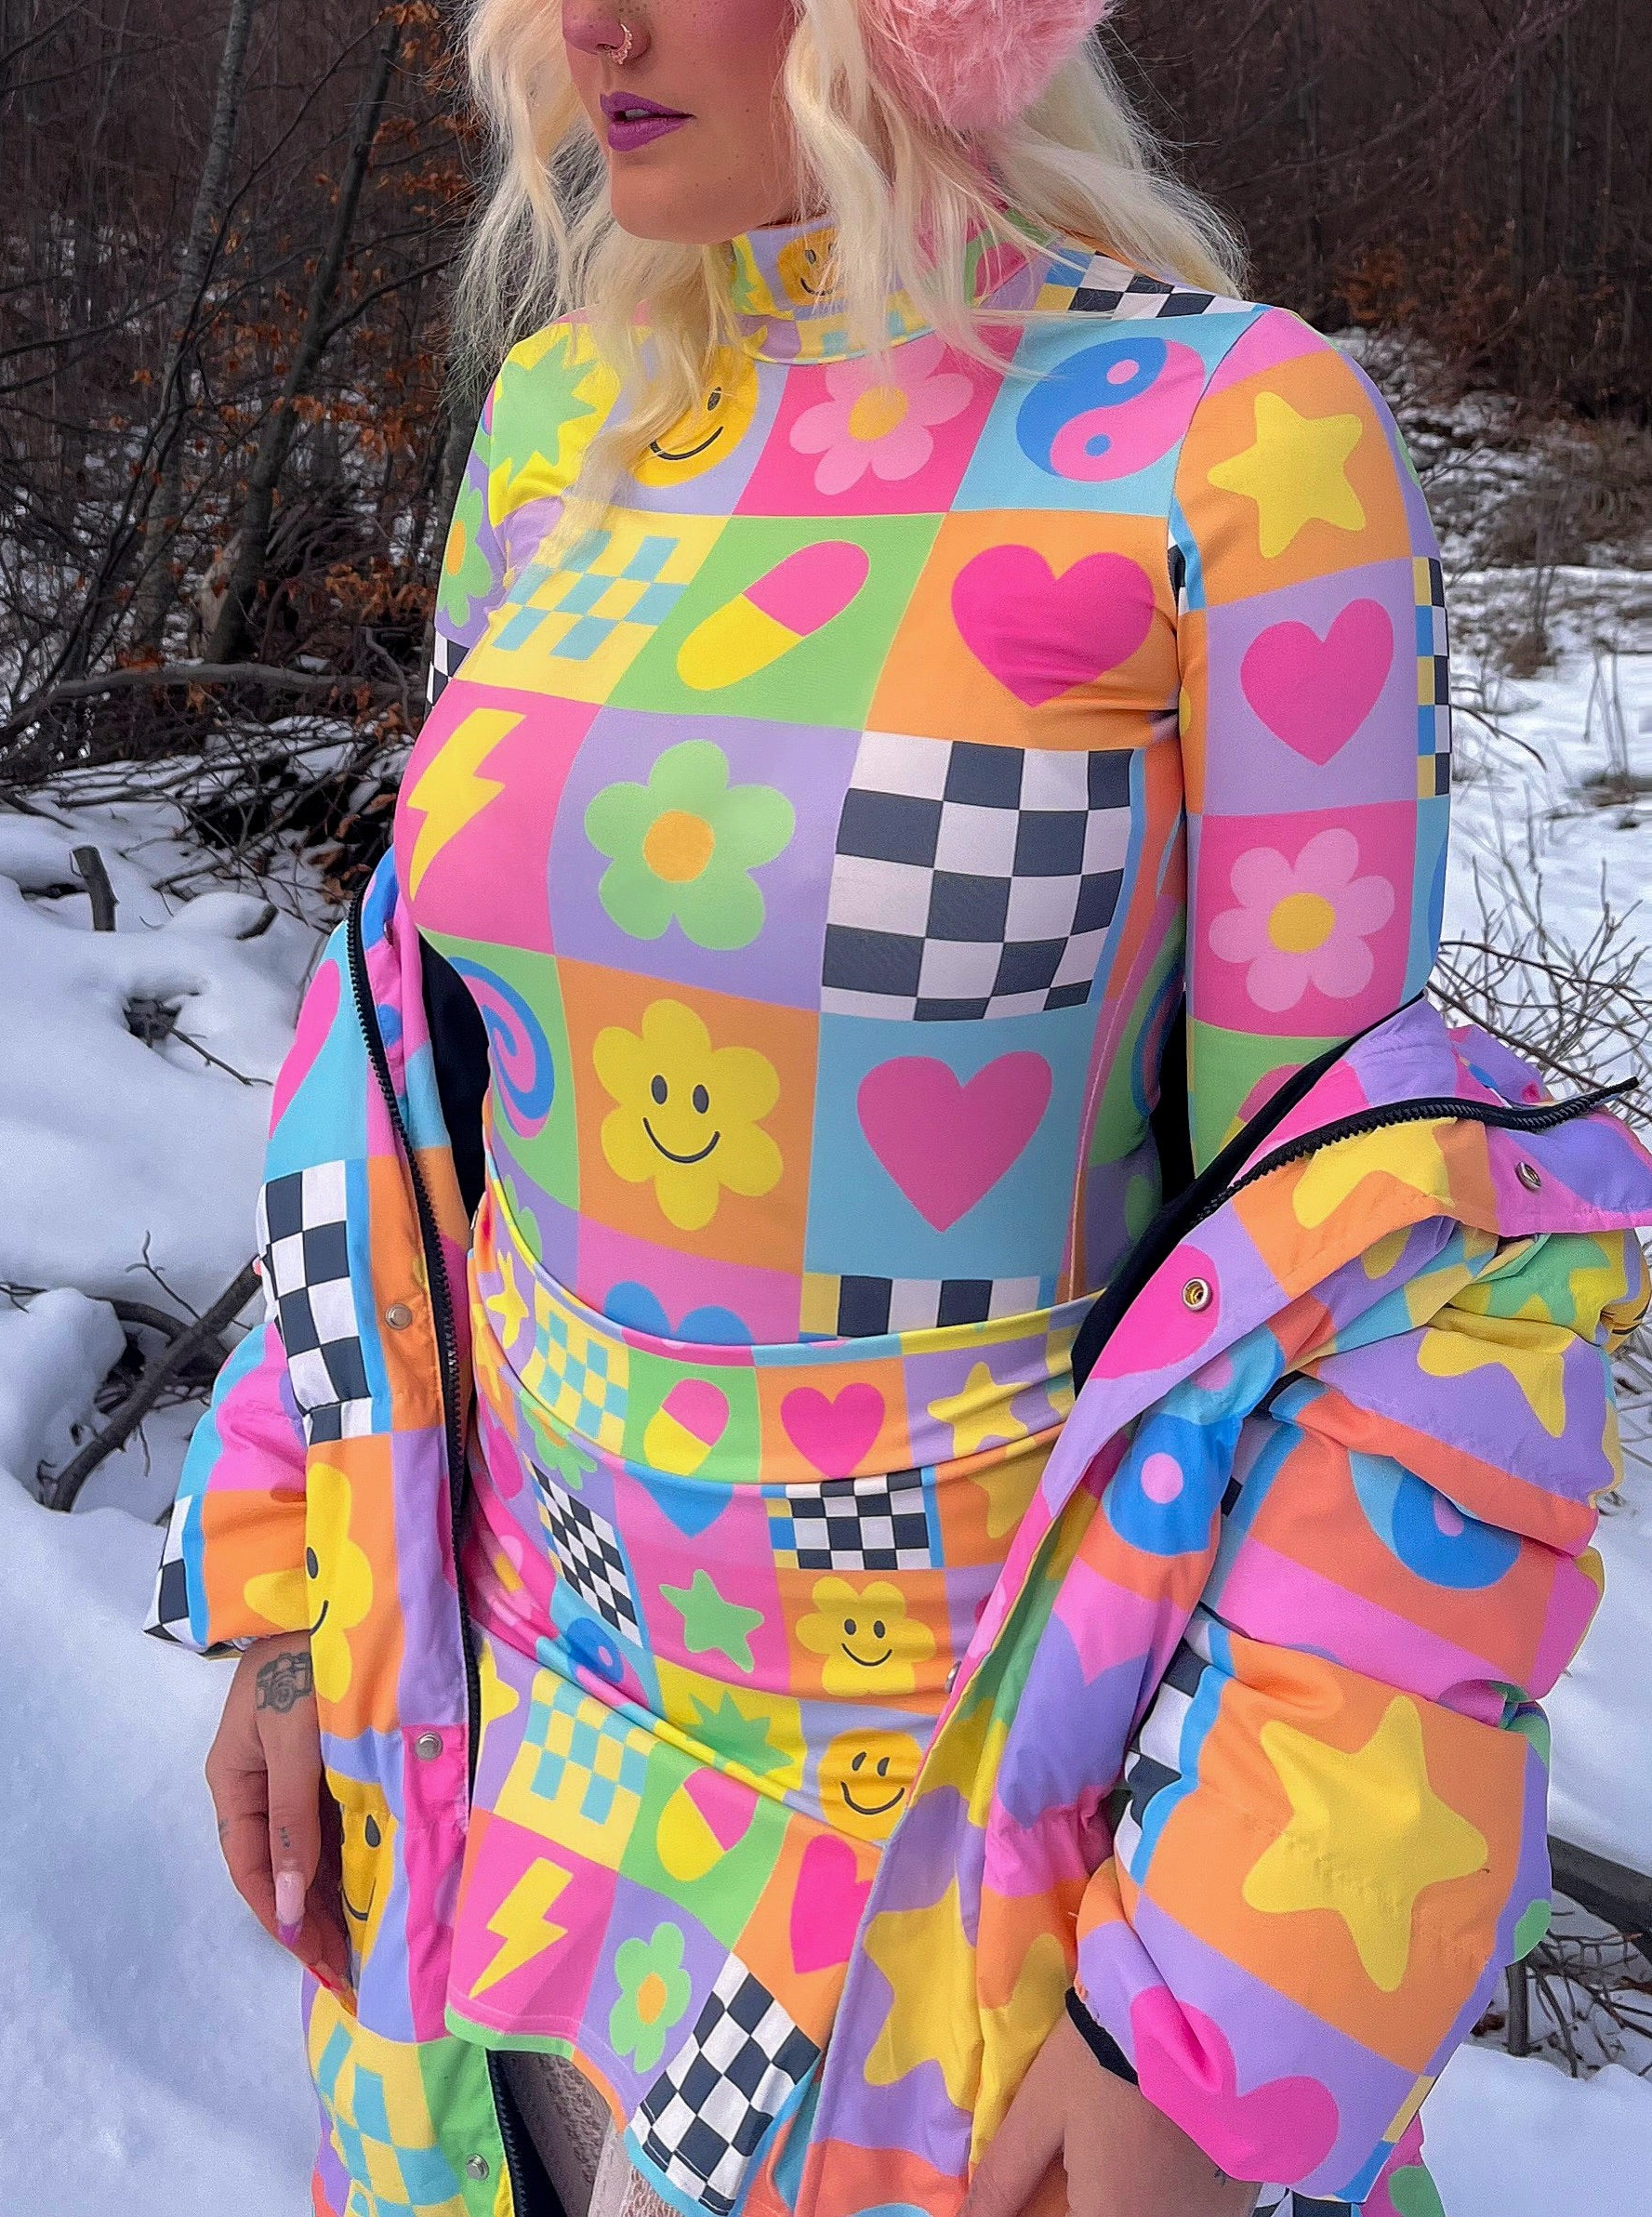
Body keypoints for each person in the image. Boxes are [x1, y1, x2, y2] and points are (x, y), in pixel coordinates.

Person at [154, 5, 1652, 2216]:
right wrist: (295, 1594)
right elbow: (401, 1077)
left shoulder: (1231, 447)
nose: (592, 26)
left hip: (962, 1924)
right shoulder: (569, 419)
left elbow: (1371, 1263)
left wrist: (1215, 2016)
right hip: (480, 1827)